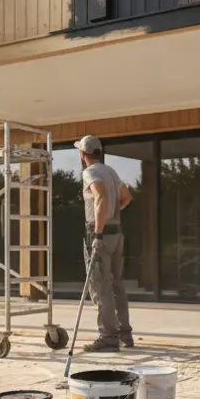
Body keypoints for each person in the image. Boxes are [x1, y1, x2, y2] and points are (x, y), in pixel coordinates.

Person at [75, 135, 135, 352]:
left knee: (101, 288)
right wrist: (112, 214)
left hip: (100, 234)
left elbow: (101, 197)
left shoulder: (90, 172)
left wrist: (98, 232)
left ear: (83, 154)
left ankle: (108, 337)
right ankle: (124, 334)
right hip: (117, 233)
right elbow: (126, 197)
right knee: (117, 284)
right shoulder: (111, 171)